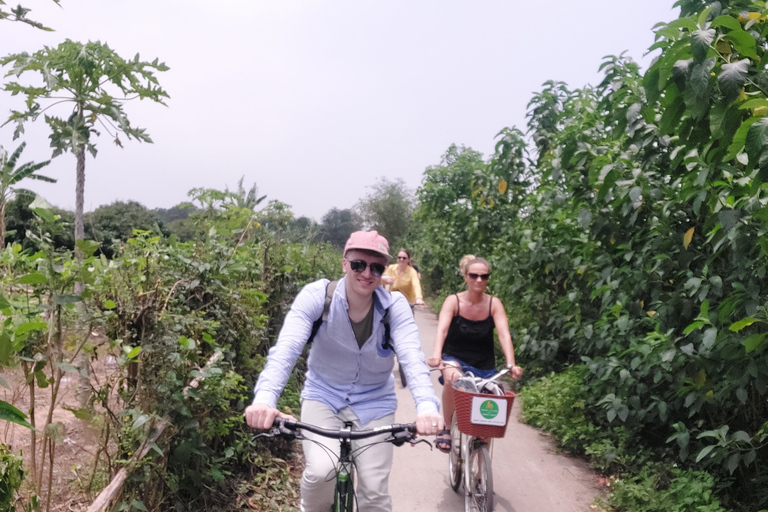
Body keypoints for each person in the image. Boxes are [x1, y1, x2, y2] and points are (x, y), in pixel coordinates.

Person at [244, 231, 443, 512]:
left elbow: (412, 358)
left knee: (374, 490)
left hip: (375, 401)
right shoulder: (318, 297)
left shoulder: (393, 307)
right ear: (344, 264)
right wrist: (265, 399)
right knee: (321, 472)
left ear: (382, 271)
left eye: (376, 267)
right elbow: (286, 351)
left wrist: (426, 407)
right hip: (323, 395)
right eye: (359, 264)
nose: (366, 273)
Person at [427, 255, 523, 453]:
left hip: (484, 365)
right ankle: (446, 428)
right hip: (455, 358)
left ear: (488, 278)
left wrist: (511, 363)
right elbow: (442, 330)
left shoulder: (493, 304)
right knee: (452, 379)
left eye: (484, 276)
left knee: (488, 419)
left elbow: (504, 335)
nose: (479, 280)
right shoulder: (453, 301)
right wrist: (437, 355)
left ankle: (480, 476)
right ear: (465, 277)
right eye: (474, 275)